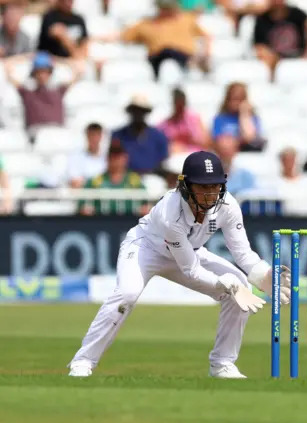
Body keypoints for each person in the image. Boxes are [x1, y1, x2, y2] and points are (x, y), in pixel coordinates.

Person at [68, 151, 291, 378]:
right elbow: (190, 270)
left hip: (190, 251)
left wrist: (264, 276)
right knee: (127, 294)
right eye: (203, 188)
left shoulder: (228, 206)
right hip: (145, 249)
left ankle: (222, 363)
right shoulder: (169, 213)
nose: (210, 195)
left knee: (241, 286)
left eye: (215, 187)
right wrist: (220, 282)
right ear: (185, 187)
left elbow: (244, 254)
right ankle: (83, 361)